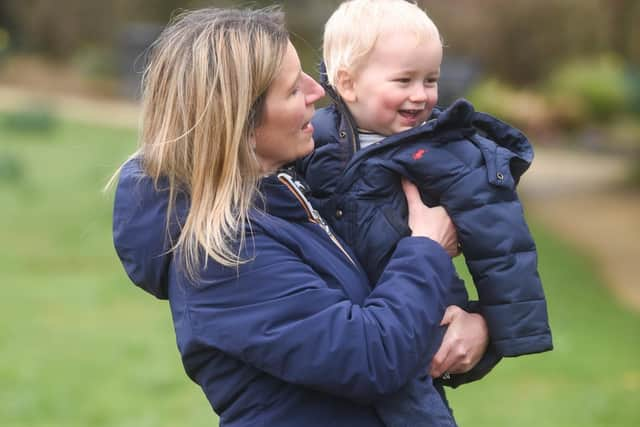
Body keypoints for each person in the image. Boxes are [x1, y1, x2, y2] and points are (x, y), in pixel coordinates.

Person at [111, 6, 491, 427]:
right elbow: (367, 357)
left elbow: (377, 308)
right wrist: (427, 249)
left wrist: (470, 328)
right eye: (293, 90)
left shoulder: (284, 197)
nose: (318, 91)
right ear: (239, 120)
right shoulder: (223, 254)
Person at [298, 0, 553, 425]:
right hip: (338, 311)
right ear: (347, 82)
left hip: (421, 312)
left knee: (413, 404)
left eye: (430, 79)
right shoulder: (312, 139)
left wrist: (504, 323)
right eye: (404, 80)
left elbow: (500, 238)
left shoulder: (446, 151)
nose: (421, 95)